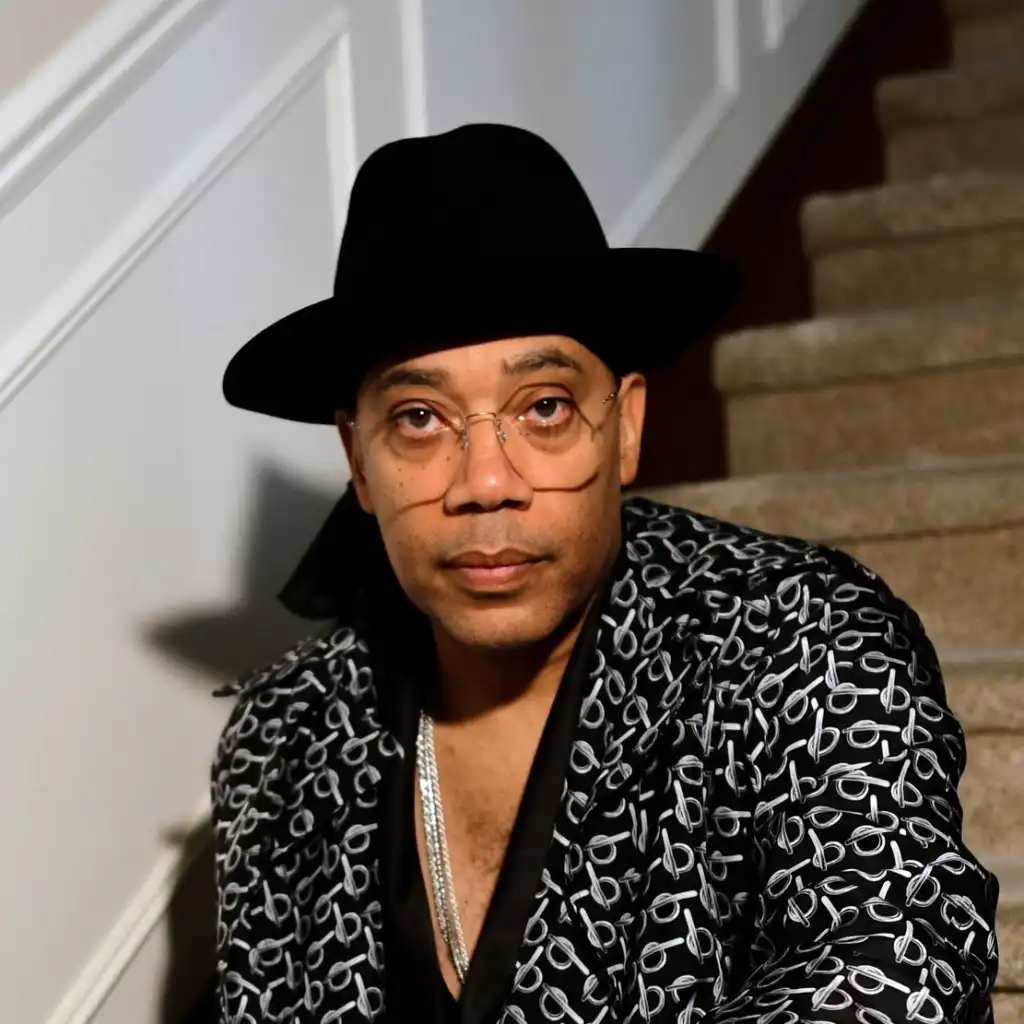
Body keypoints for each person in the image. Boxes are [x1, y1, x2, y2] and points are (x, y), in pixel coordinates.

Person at [211, 123, 999, 1023]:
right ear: (360, 459)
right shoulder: (283, 735)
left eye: (544, 407)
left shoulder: (801, 638)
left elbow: (899, 960)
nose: (486, 482)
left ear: (624, 427)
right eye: (421, 419)